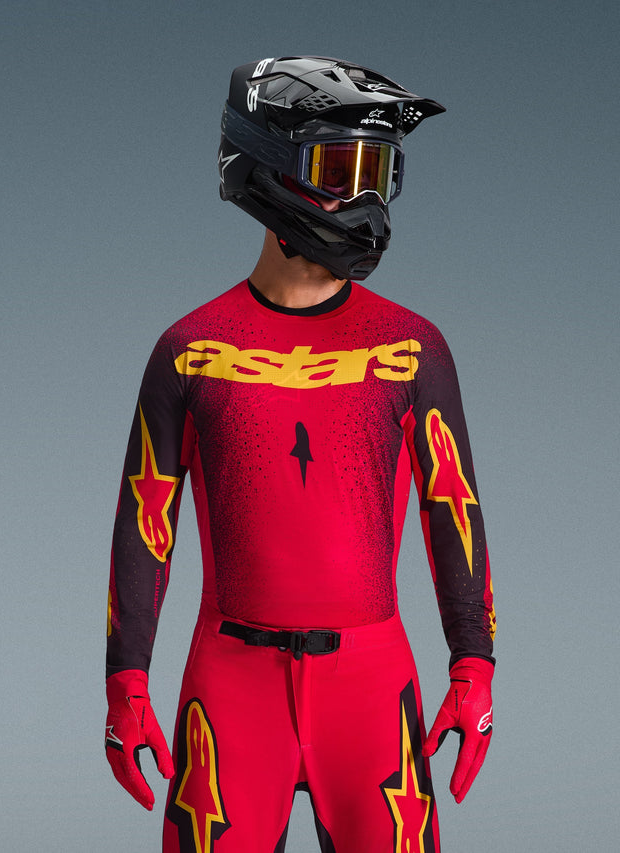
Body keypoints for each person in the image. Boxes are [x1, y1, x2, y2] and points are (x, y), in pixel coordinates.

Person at [105, 56, 496, 853]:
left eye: (378, 172)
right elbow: (144, 524)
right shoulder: (188, 351)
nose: (364, 199)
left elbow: (453, 506)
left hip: (370, 691)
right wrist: (124, 679)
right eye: (339, 169)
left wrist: (474, 664)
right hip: (233, 691)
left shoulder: (416, 348)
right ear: (266, 165)